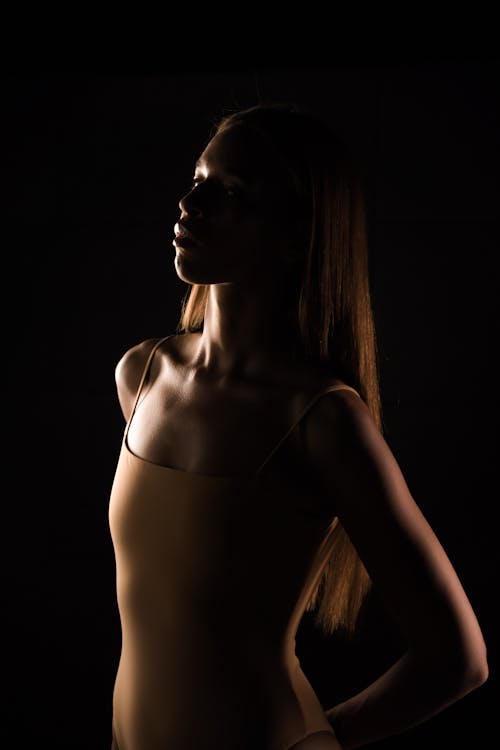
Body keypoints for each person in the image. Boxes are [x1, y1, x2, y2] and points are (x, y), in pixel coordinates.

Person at [108, 102, 488, 750]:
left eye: (229, 193)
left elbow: (458, 659)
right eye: (198, 179)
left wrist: (319, 740)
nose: (188, 203)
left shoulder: (319, 421)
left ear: (293, 235)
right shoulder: (142, 375)